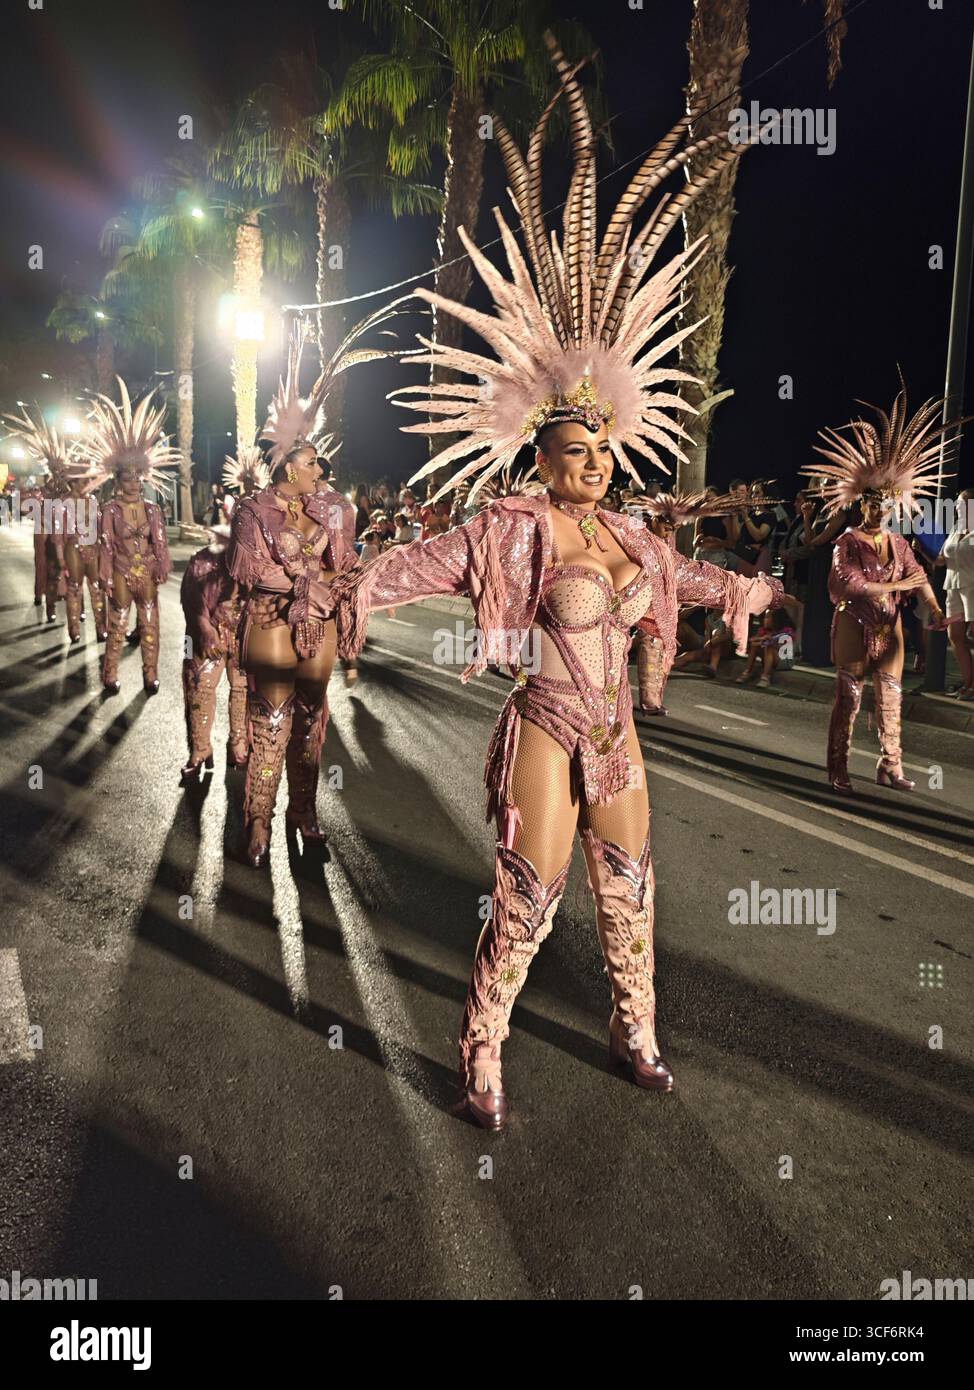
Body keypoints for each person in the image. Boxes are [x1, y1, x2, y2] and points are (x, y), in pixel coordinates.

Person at [332, 38, 782, 1129]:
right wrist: (348, 581)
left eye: (600, 449)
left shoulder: (633, 536)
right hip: (544, 721)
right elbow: (418, 564)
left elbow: (696, 573)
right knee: (529, 896)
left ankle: (635, 1029)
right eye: (573, 451)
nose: (592, 464)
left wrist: (742, 597)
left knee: (628, 890)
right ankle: (480, 1042)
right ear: (540, 455)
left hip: (617, 729)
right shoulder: (512, 528)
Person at [226, 313, 394, 867]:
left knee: (310, 722)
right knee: (270, 719)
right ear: (287, 467)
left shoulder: (334, 509)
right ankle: (258, 821)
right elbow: (247, 570)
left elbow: (344, 566)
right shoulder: (253, 510)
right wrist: (305, 582)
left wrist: (345, 583)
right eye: (312, 461)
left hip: (316, 629)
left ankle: (304, 811)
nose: (321, 467)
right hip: (271, 621)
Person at [802, 383, 956, 792]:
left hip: (890, 629)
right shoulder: (847, 541)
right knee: (849, 699)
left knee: (891, 698)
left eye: (886, 505)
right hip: (854, 624)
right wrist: (896, 583)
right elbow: (849, 583)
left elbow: (919, 576)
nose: (880, 510)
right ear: (862, 503)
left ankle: (891, 766)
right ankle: (838, 767)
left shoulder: (899, 543)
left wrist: (935, 610)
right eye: (873, 503)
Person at [77, 380, 176, 694]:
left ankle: (150, 675)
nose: (133, 483)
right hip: (121, 570)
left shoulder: (152, 510)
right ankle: (110, 674)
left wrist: (162, 564)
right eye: (127, 477)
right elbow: (105, 546)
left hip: (145, 571)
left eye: (137, 477)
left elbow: (159, 542)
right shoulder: (109, 510)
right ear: (117, 480)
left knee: (150, 625)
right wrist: (105, 575)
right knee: (118, 625)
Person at [630, 489, 738, 713]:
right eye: (667, 526)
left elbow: (675, 568)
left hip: (659, 603)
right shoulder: (637, 537)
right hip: (634, 599)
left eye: (675, 528)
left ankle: (652, 701)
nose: (670, 531)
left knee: (657, 647)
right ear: (653, 519)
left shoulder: (667, 540)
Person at [179, 525, 248, 782]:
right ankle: (200, 749)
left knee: (244, 688)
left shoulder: (256, 559)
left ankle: (239, 744)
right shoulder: (201, 561)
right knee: (199, 686)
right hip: (209, 632)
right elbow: (190, 599)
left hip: (244, 631)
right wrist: (205, 627)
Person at [936, 487, 974, 698]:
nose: (957, 506)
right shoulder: (957, 527)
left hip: (973, 585)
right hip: (953, 586)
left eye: (961, 503)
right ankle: (968, 682)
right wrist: (923, 547)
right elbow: (941, 559)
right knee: (955, 635)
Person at [735, 607, 796, 687]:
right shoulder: (764, 630)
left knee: (769, 647)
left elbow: (783, 649)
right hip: (769, 657)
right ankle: (747, 672)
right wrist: (762, 639)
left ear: (776, 619)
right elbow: (751, 640)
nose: (765, 620)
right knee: (754, 646)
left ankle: (765, 677)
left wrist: (769, 641)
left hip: (783, 660)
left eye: (767, 617)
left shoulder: (787, 631)